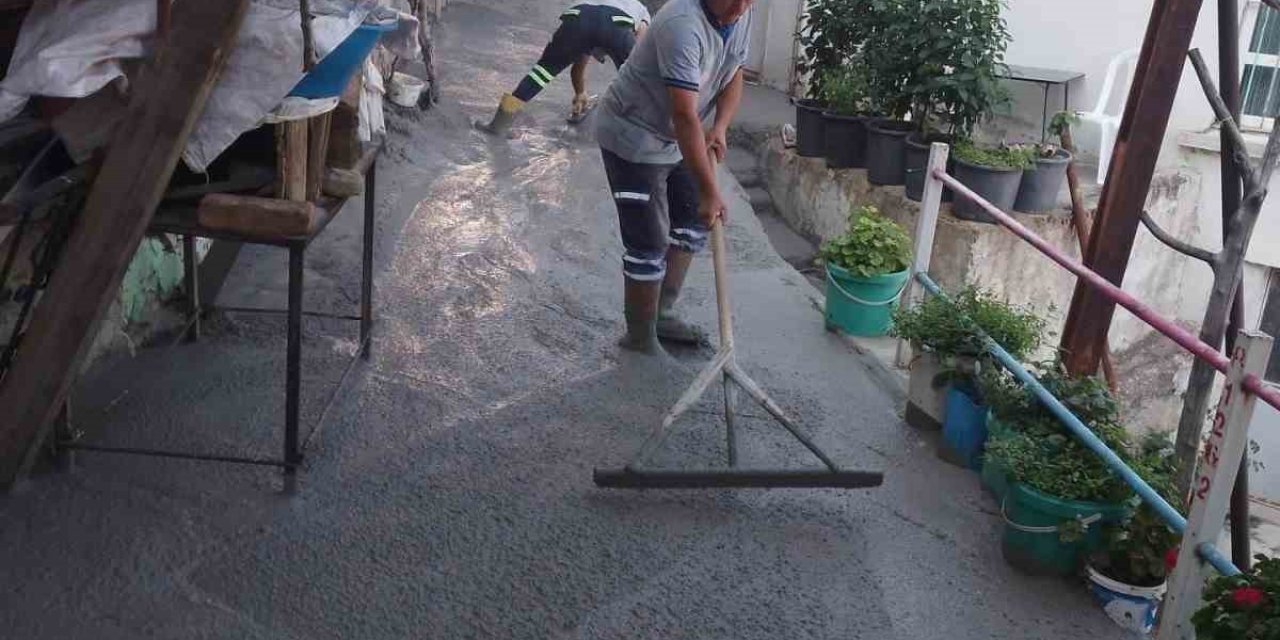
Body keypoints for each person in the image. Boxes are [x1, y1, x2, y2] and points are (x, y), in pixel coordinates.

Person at [593, 0, 753, 356]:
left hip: (677, 135)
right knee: (648, 242)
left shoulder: (740, 15)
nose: (741, 7)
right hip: (633, 134)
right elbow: (683, 116)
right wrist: (711, 191)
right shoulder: (682, 24)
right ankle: (639, 338)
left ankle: (662, 314)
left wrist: (721, 128)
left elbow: (735, 70)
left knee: (695, 220)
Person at [478, 0, 652, 135]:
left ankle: (498, 126)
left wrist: (580, 93)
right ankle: (641, 134)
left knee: (542, 72)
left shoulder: (595, 6)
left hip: (577, 19)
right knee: (639, 80)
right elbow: (642, 54)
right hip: (617, 24)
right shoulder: (641, 10)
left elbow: (579, 64)